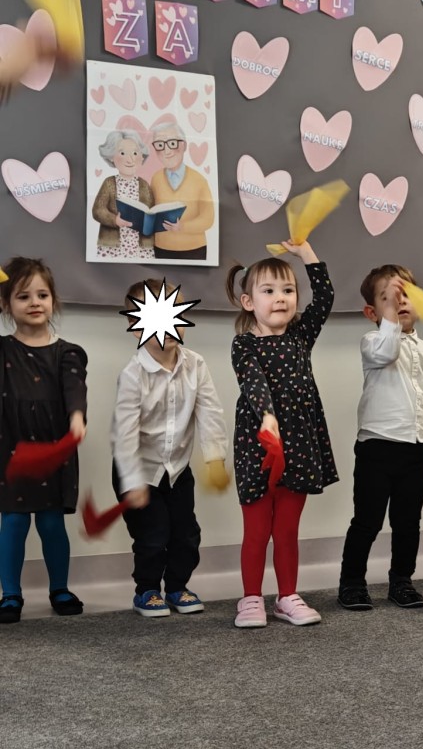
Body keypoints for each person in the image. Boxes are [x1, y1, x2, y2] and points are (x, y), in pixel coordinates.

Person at [227, 242, 337, 628]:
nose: (281, 298)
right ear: (248, 302)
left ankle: (287, 595)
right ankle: (251, 598)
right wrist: (267, 416)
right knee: (257, 530)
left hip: (300, 445)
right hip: (258, 445)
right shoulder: (244, 344)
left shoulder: (301, 336)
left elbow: (325, 297)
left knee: (287, 530)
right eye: (269, 291)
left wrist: (306, 254)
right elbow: (252, 380)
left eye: (288, 290)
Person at [338, 265, 423, 611]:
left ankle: (401, 580)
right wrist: (390, 316)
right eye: (389, 298)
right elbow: (387, 352)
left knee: (408, 522)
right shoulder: (373, 341)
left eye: (406, 296)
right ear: (371, 312)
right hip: (377, 447)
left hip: (415, 450)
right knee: (367, 521)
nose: (400, 302)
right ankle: (352, 583)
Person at [111, 278, 229, 618]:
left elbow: (210, 412)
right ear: (137, 326)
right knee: (152, 535)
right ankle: (147, 590)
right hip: (138, 470)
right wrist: (132, 481)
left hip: (177, 469)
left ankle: (177, 586)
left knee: (186, 534)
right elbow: (125, 433)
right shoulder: (133, 374)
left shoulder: (196, 365)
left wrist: (215, 458)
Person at [0, 257, 87, 623]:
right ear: (6, 304)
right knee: (14, 522)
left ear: (53, 299)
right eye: (23, 296)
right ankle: (10, 594)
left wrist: (77, 418)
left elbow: (74, 388)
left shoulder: (67, 352)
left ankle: (59, 588)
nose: (34, 302)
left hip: (53, 450)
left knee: (52, 523)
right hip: (11, 448)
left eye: (42, 295)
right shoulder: (3, 350)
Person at [148, 120, 215, 261]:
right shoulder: (155, 178)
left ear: (183, 145)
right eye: (160, 145)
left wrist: (183, 227)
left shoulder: (199, 180)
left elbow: (208, 219)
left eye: (172, 143)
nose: (167, 151)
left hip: (194, 248)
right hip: (161, 247)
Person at [91, 129, 153, 259]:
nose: (130, 159)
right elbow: (98, 210)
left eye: (135, 153)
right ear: (111, 157)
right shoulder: (109, 183)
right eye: (123, 153)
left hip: (141, 247)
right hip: (113, 247)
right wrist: (114, 220)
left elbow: (151, 211)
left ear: (142, 156)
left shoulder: (144, 185)